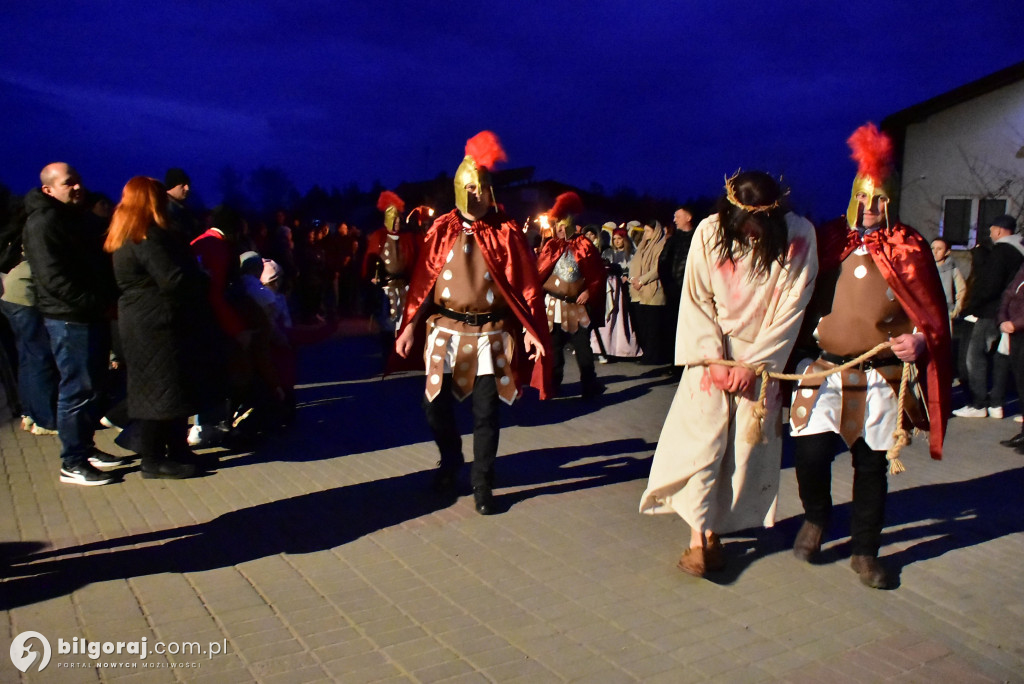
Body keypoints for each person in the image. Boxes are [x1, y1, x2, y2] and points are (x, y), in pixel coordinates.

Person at [789, 123, 951, 589]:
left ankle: (865, 552)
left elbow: (932, 312)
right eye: (866, 197)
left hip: (880, 375)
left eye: (881, 199)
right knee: (811, 454)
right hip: (825, 369)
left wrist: (919, 339)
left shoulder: (909, 245)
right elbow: (794, 291)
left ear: (891, 200)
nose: (873, 207)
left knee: (871, 466)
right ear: (853, 197)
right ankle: (817, 518)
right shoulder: (828, 240)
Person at [639, 171, 817, 578]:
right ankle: (699, 540)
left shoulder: (799, 236)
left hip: (761, 363)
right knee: (701, 448)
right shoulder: (709, 231)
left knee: (740, 453)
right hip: (711, 361)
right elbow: (696, 296)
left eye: (759, 226)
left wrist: (757, 364)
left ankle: (716, 527)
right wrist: (713, 358)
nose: (751, 232)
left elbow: (794, 305)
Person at [394, 131, 551, 515]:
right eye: (470, 189)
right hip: (445, 332)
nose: (476, 196)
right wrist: (410, 325)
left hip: (489, 335)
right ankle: (450, 463)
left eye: (481, 189)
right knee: (434, 408)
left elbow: (525, 284)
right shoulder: (441, 229)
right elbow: (424, 281)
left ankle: (483, 482)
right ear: (459, 189)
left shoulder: (505, 230)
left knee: (487, 413)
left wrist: (531, 330)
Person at [104, 177, 217, 479]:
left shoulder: (129, 232)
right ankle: (153, 460)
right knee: (159, 392)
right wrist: (201, 277)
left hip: (147, 320)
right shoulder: (146, 235)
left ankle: (177, 450)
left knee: (170, 389)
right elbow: (173, 279)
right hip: (156, 323)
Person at [22, 162, 126, 485]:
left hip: (87, 315)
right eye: (69, 183)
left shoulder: (73, 219)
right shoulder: (44, 222)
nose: (77, 187)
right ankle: (72, 460)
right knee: (76, 389)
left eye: (78, 181)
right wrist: (97, 303)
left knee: (92, 387)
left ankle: (85, 447)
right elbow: (53, 279)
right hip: (69, 319)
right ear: (48, 189)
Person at [536, 192, 606, 398]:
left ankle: (589, 386)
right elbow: (538, 272)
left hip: (576, 306)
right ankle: (554, 385)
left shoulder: (585, 245)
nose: (558, 228)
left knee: (583, 349)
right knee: (554, 350)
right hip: (553, 305)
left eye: (560, 224)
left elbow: (597, 274)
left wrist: (588, 291)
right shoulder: (550, 246)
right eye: (555, 225)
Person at [954, 214, 1023, 419]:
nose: (990, 234)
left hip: (990, 311)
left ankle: (978, 403)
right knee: (1000, 358)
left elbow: (989, 285)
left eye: (992, 230)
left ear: (999, 231)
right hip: (1010, 313)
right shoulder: (1019, 252)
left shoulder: (1001, 252)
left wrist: (971, 307)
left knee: (975, 356)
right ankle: (996, 403)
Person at [363, 191, 421, 347]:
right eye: (393, 220)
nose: (396, 223)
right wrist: (373, 276)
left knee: (405, 318)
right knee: (388, 319)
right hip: (385, 287)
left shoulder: (408, 237)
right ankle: (387, 347)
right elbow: (372, 258)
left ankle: (402, 347)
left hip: (404, 285)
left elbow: (414, 257)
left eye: (398, 220)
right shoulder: (379, 236)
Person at [593, 227, 639, 359]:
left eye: (619, 238)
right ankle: (603, 347)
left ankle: (621, 348)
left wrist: (626, 277)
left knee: (620, 318)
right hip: (609, 287)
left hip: (623, 290)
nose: (617, 241)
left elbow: (633, 269)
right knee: (608, 318)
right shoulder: (607, 252)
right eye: (615, 239)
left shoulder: (630, 253)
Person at [627, 221, 669, 364]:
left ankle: (653, 356)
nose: (646, 234)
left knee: (653, 327)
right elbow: (634, 264)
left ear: (656, 231)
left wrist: (642, 280)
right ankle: (646, 352)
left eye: (649, 231)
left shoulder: (661, 246)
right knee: (642, 324)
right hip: (639, 291)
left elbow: (658, 268)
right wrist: (632, 279)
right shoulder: (642, 246)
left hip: (653, 290)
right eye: (644, 231)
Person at [164, 168, 200, 242]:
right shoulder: (167, 209)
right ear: (172, 185)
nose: (187, 188)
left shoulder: (180, 207)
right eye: (183, 185)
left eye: (188, 185)